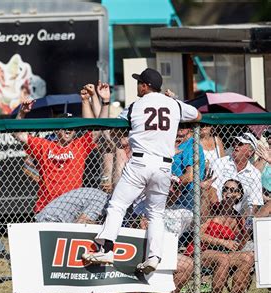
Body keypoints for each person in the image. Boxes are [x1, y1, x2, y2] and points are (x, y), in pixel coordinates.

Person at [82, 68, 201, 274]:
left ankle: (107, 248)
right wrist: (174, 102)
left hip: (140, 163)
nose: (138, 86)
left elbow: (114, 128)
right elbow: (198, 115)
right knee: (156, 214)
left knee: (117, 205)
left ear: (145, 86)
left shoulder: (135, 106)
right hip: (164, 166)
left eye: (139, 83)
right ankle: (154, 256)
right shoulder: (173, 104)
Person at [184, 179, 258, 293]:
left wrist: (245, 234)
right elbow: (198, 235)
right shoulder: (213, 209)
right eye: (225, 189)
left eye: (233, 190)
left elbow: (239, 246)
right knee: (223, 258)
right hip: (202, 250)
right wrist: (223, 242)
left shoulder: (238, 218)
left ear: (239, 195)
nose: (228, 192)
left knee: (248, 257)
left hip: (224, 254)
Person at [13, 98, 97, 213]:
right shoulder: (44, 145)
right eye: (64, 126)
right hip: (46, 206)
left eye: (72, 126)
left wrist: (85, 101)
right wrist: (22, 113)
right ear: (56, 130)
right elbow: (18, 134)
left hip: (72, 206)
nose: (68, 129)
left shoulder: (80, 145)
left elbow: (93, 131)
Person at [207, 132, 263, 216]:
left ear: (250, 152)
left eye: (240, 144)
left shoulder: (255, 173)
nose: (236, 145)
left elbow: (255, 203)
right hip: (216, 211)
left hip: (239, 217)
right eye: (235, 142)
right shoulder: (220, 163)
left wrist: (242, 220)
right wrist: (220, 212)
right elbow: (212, 190)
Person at [35, 187, 108, 224]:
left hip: (49, 217)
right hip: (51, 220)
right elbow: (81, 224)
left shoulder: (101, 196)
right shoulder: (102, 201)